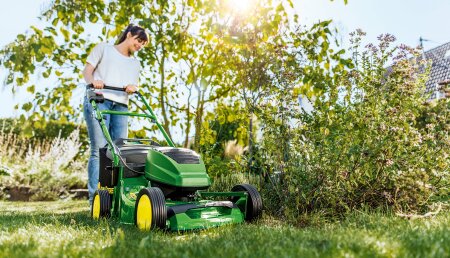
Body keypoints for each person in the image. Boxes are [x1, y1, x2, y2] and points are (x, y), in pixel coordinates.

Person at [82, 24, 148, 205]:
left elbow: (133, 85)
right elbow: (87, 71)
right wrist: (93, 82)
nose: (140, 45)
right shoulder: (104, 49)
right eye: (139, 40)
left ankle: (117, 200)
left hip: (121, 106)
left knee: (120, 151)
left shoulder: (135, 63)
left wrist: (134, 88)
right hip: (99, 101)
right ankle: (95, 200)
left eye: (143, 43)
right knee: (99, 150)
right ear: (129, 35)